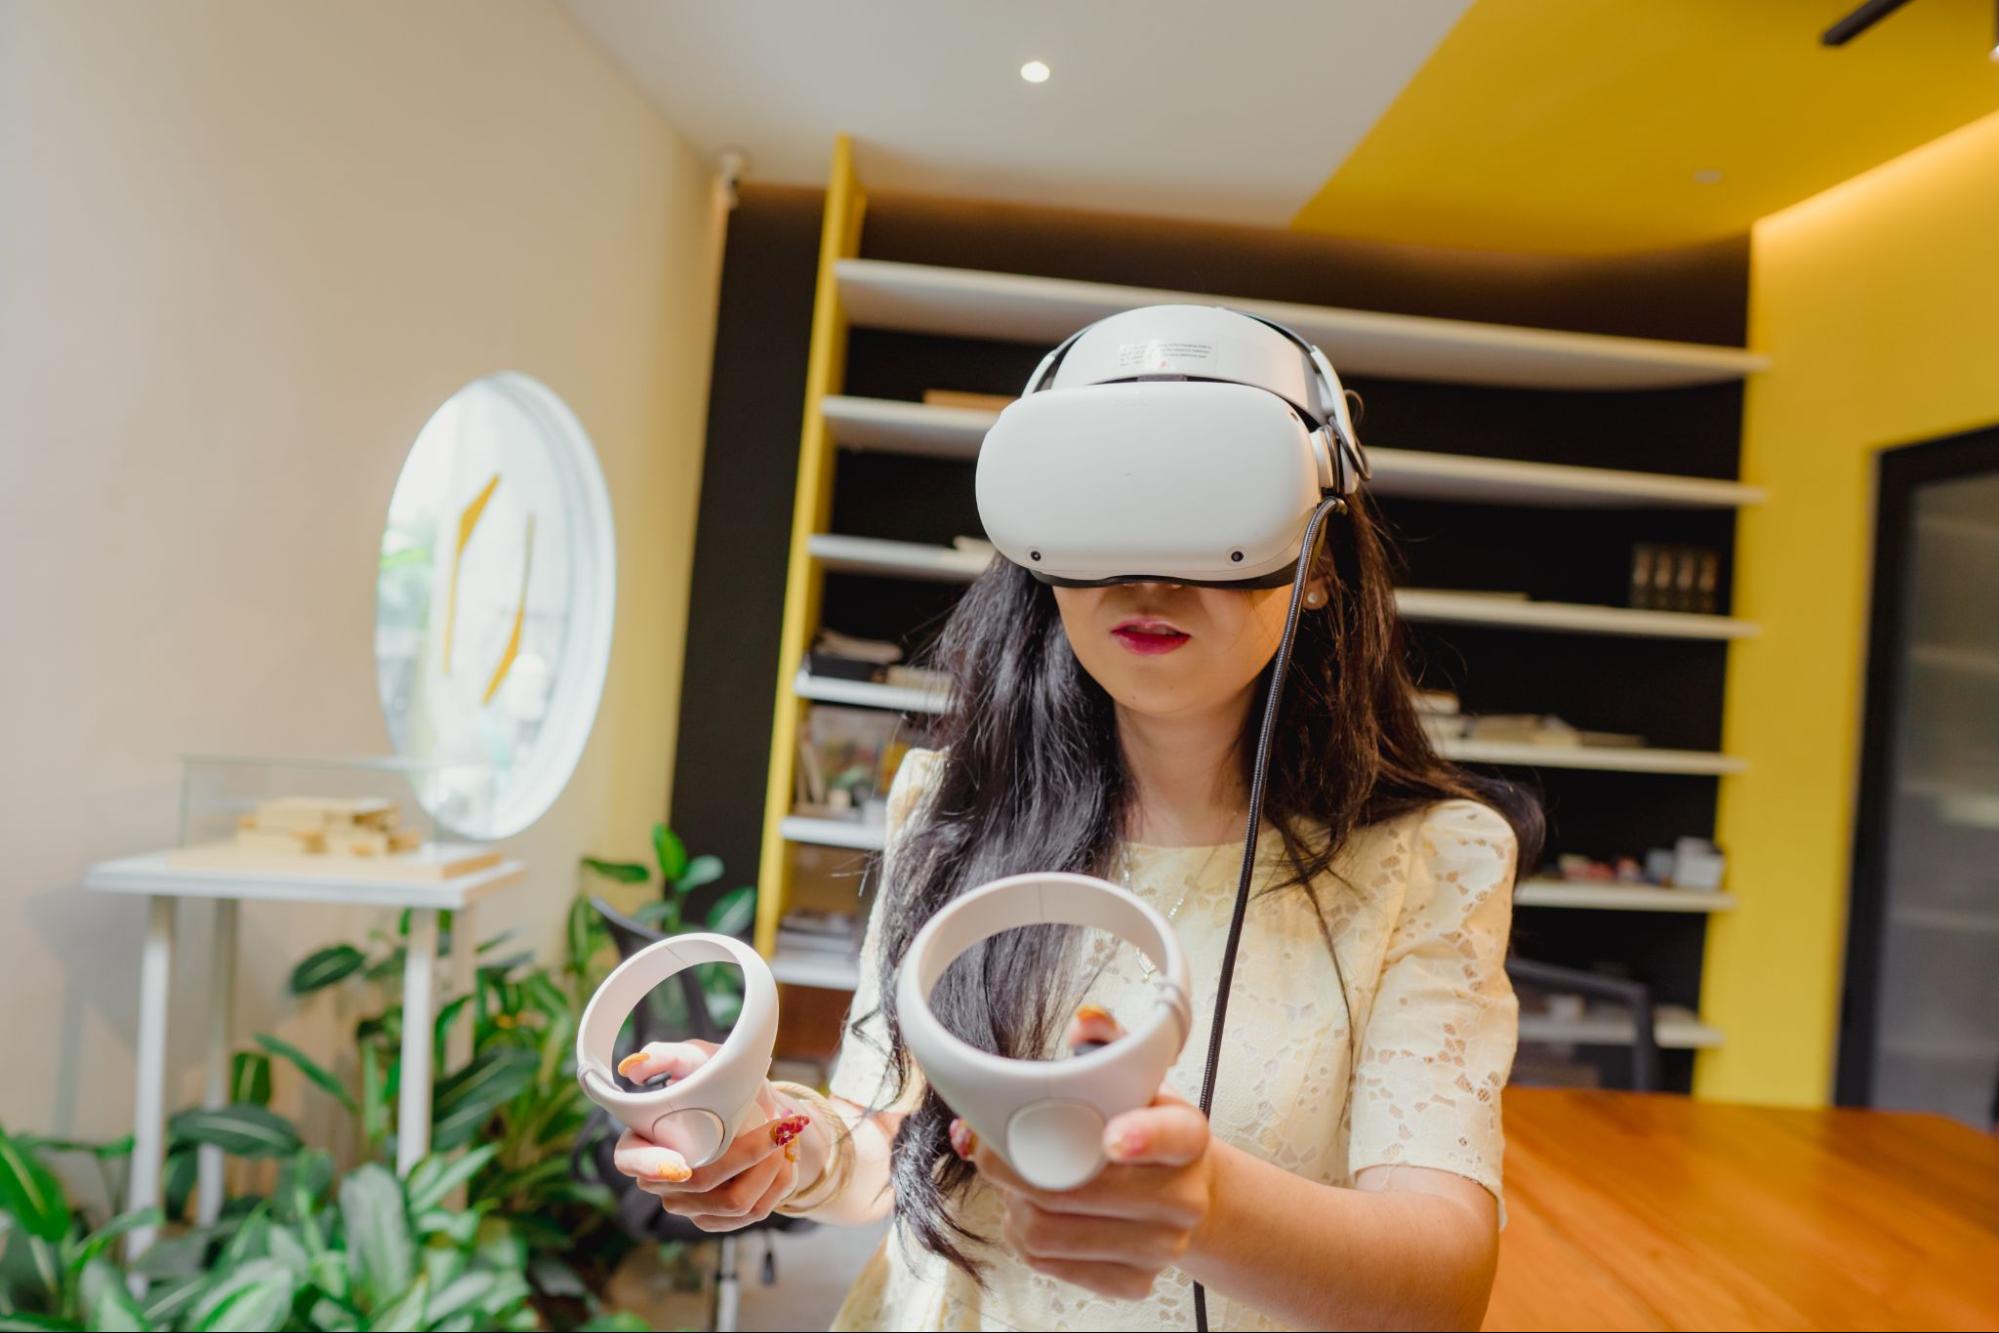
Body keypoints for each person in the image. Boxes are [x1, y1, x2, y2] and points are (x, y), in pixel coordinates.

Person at [612, 332, 1540, 1332]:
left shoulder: (1432, 860)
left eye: (1211, 514)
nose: (1148, 578)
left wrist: (1203, 1205)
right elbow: (884, 1140)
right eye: (1103, 508)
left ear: (1318, 560)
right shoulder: (946, 803)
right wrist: (781, 1142)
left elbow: (1440, 1288)